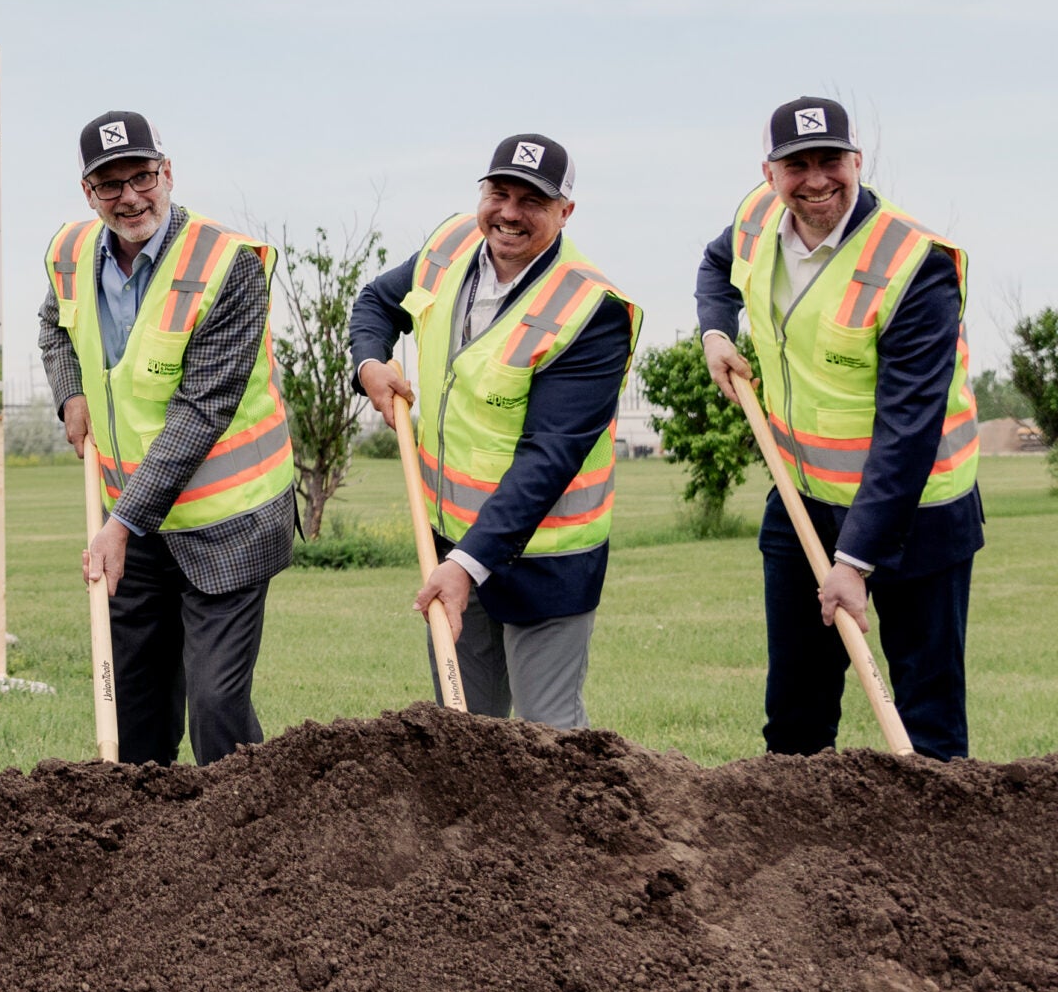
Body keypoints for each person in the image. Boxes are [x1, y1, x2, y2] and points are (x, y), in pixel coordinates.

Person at [693, 97, 982, 759]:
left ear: (858, 161)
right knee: (795, 712)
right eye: (797, 164)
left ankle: (936, 848)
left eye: (831, 160)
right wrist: (716, 330)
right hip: (803, 499)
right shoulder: (755, 218)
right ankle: (793, 852)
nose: (816, 178)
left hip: (918, 512)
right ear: (769, 173)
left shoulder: (917, 265)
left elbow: (909, 430)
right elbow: (715, 267)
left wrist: (855, 561)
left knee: (926, 716)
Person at [352, 134, 640, 727]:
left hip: (545, 557)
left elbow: (549, 459)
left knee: (548, 734)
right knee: (463, 724)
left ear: (565, 212)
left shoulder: (593, 310)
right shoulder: (450, 244)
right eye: (499, 192)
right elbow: (377, 303)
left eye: (531, 200)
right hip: (449, 535)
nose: (509, 213)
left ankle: (570, 823)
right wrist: (370, 365)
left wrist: (465, 566)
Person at [40, 111, 297, 765]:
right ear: (87, 191)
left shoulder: (229, 265)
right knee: (134, 707)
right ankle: (146, 849)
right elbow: (53, 324)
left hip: (229, 518)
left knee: (217, 705)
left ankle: (247, 840)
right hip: (135, 523)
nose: (130, 196)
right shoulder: (71, 253)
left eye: (142, 177)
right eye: (109, 184)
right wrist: (70, 391)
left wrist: (120, 522)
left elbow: (201, 409)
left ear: (167, 173)